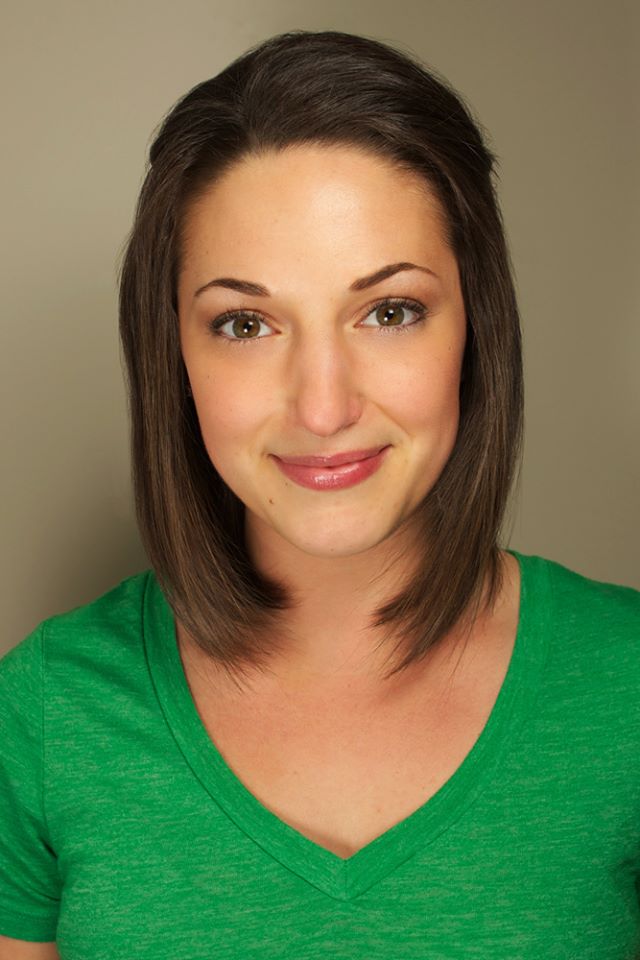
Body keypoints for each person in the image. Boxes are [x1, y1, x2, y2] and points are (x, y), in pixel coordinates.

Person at [1, 29, 638, 960]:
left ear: (476, 325)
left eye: (389, 311)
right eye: (247, 323)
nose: (325, 404)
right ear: (174, 355)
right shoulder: (47, 712)